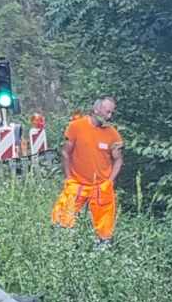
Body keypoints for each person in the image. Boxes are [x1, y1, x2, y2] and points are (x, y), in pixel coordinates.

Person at [53, 97, 124, 246]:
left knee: (105, 226)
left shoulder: (113, 134)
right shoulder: (76, 126)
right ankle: (62, 246)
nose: (109, 116)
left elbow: (118, 159)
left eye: (112, 113)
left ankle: (103, 249)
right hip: (77, 183)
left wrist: (110, 181)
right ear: (96, 109)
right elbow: (66, 152)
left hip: (101, 186)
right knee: (62, 218)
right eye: (107, 112)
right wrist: (68, 177)